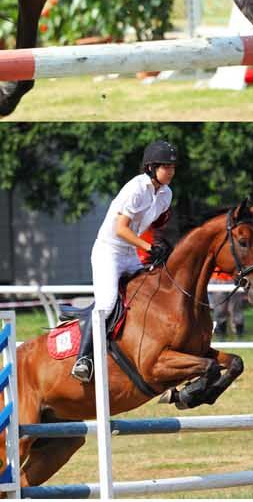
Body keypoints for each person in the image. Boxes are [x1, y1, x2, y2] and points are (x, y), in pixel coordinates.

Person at [72, 138, 177, 382]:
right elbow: (121, 228)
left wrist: (160, 246)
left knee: (150, 293)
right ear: (151, 167)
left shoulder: (166, 194)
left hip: (130, 252)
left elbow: (155, 226)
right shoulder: (136, 188)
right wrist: (148, 247)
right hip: (108, 252)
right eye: (165, 166)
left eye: (172, 167)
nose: (170, 171)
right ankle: (83, 359)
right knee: (107, 303)